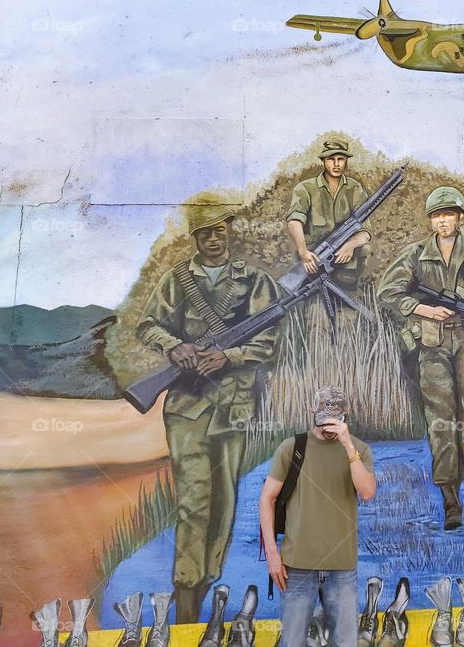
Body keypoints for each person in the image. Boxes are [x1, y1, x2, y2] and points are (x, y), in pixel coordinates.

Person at [136, 194, 280, 623]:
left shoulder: (254, 281)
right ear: (195, 237)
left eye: (220, 230)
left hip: (233, 403)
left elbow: (269, 340)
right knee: (193, 501)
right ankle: (184, 595)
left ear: (228, 232)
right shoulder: (178, 280)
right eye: (205, 233)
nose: (213, 239)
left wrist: (229, 357)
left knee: (224, 504)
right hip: (187, 403)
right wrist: (175, 346)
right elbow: (148, 325)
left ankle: (204, 584)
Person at [376, 186, 464, 530]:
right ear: (430, 220)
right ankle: (449, 496)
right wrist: (423, 308)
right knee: (440, 416)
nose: (443, 221)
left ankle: (458, 479)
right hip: (432, 342)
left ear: (460, 217)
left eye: (449, 214)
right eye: (437, 216)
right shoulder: (414, 254)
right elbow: (387, 292)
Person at [259, 387, 376, 647]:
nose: (328, 424)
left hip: (342, 568)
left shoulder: (358, 449)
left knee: (346, 643)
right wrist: (272, 555)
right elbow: (267, 499)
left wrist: (348, 445)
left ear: (345, 415)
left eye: (334, 417)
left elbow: (367, 492)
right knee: (292, 642)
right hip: (296, 568)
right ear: (312, 412)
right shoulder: (292, 448)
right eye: (323, 416)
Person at [286, 140, 371, 292]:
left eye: (341, 159)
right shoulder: (305, 188)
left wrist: (349, 246)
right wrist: (304, 252)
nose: (336, 164)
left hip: (343, 262)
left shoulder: (354, 188)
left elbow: (365, 232)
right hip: (312, 259)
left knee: (364, 250)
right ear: (324, 161)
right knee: (300, 296)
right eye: (331, 159)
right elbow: (294, 222)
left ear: (346, 161)